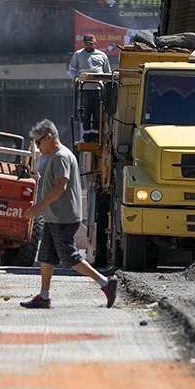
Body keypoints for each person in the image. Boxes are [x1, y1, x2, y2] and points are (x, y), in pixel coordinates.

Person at [19, 119, 117, 309]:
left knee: (70, 257)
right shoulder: (57, 157)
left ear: (49, 137)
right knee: (46, 257)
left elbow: (60, 186)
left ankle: (106, 283)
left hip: (63, 217)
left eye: (39, 142)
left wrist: (38, 206)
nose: (38, 147)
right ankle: (44, 296)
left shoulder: (61, 157)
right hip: (54, 217)